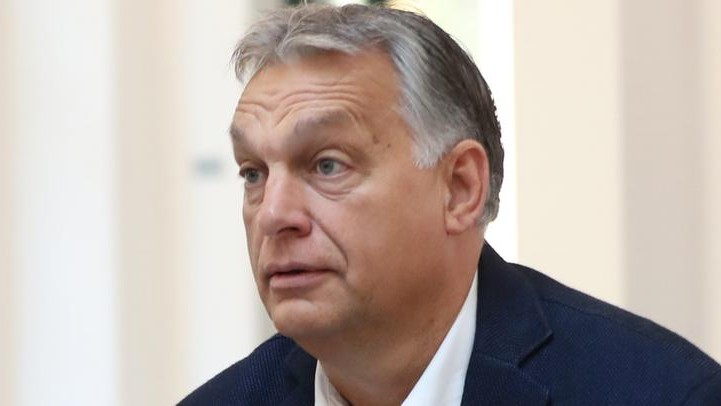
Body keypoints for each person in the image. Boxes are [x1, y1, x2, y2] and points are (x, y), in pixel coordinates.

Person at [181, 4, 721, 405]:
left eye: (327, 165)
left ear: (460, 188)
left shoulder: (661, 393)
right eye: (253, 173)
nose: (273, 214)